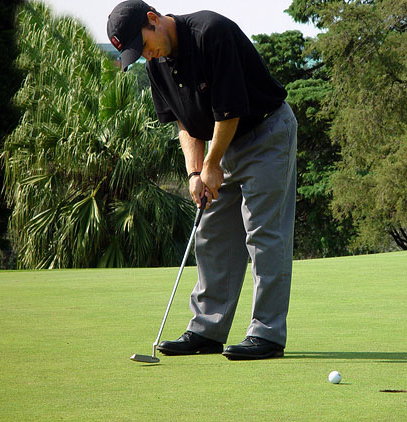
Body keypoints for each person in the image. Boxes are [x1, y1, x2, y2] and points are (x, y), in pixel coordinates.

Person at [107, 0, 297, 360]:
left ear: (154, 19)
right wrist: (196, 172)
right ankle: (207, 330)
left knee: (262, 232)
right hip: (223, 144)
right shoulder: (156, 63)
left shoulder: (211, 32)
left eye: (144, 44)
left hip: (266, 133)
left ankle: (267, 335)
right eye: (139, 52)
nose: (146, 54)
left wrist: (212, 164)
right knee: (211, 233)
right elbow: (185, 122)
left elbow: (230, 111)